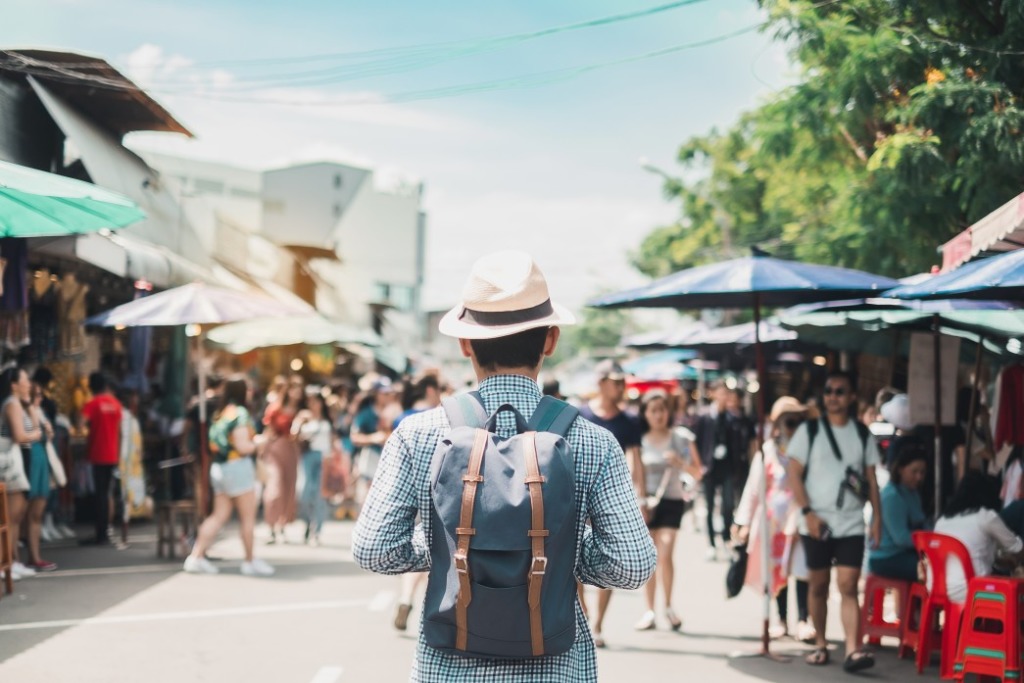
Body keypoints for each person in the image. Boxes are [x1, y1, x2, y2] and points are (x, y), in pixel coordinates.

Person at [352, 250, 655, 682]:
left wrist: (450, 547)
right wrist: (562, 554)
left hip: (448, 670)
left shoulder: (418, 435)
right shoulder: (592, 440)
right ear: (550, 340)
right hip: (555, 669)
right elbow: (631, 564)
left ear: (465, 342)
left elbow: (373, 549)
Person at [787, 371, 882, 673]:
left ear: (851, 396)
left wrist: (878, 518)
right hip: (817, 521)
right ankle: (821, 644)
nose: (833, 396)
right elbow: (793, 474)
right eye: (829, 390)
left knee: (849, 584)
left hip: (851, 522)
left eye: (840, 391)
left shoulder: (862, 434)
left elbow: (871, 479)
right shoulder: (809, 431)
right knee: (818, 585)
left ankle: (853, 649)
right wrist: (807, 513)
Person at [733, 396, 813, 641]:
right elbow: (754, 488)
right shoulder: (767, 451)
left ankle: (803, 619)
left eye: (797, 422)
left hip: (799, 518)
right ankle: (780, 619)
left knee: (801, 570)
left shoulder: (809, 449)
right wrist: (743, 522)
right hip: (773, 522)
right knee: (777, 570)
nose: (793, 427)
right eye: (788, 421)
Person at [578, 358, 644, 648]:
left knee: (609, 562)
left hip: (610, 502)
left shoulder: (629, 421)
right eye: (616, 382)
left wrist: (638, 497)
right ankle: (583, 612)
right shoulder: (579, 415)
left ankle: (598, 624)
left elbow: (636, 460)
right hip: (578, 499)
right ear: (602, 382)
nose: (621, 387)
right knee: (572, 559)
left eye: (623, 382)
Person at [184, 376, 274, 576]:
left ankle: (196, 556)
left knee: (218, 516)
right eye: (248, 389)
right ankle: (250, 561)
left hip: (220, 468)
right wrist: (258, 443)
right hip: (238, 469)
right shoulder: (240, 414)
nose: (251, 392)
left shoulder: (221, 412)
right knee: (247, 518)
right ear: (242, 391)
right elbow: (243, 446)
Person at [634, 389, 701, 632]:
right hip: (646, 504)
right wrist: (638, 502)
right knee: (650, 557)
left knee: (666, 551)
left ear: (668, 412)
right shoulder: (639, 440)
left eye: (662, 409)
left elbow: (698, 471)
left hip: (672, 501)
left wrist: (680, 463)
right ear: (645, 414)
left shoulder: (681, 438)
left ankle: (669, 605)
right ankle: (650, 610)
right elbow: (632, 474)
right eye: (653, 410)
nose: (658, 415)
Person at [934, 471, 1024, 602]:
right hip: (973, 591)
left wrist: (1001, 560)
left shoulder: (941, 521)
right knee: (1014, 589)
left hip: (938, 589)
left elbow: (972, 554)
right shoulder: (986, 517)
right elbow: (1018, 549)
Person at [1, 366, 54, 574]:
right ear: (14, 384)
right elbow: (21, 436)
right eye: (24, 379)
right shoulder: (12, 404)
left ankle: (12, 561)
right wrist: (36, 435)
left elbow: (32, 428)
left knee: (16, 516)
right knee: (12, 516)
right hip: (13, 461)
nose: (29, 383)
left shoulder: (19, 404)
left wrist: (30, 406)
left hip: (21, 460)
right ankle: (9, 561)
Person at [694, 382, 750, 560]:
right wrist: (699, 465)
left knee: (728, 506)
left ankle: (726, 539)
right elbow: (695, 442)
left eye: (727, 394)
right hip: (709, 467)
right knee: (709, 506)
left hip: (727, 467)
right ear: (713, 394)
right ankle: (711, 543)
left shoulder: (732, 418)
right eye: (721, 394)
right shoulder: (704, 417)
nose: (724, 398)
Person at [868, 445, 928, 582]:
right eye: (914, 472)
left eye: (922, 472)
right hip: (886, 558)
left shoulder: (912, 492)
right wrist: (927, 540)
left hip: (903, 553)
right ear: (901, 470)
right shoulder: (892, 496)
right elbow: (901, 538)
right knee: (931, 570)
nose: (919, 477)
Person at [79, 372, 122, 547]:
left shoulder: (92, 404)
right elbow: (119, 432)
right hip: (112, 454)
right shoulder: (115, 404)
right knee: (106, 493)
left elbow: (81, 423)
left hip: (97, 454)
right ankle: (104, 531)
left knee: (99, 495)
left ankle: (100, 534)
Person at [261, 375, 303, 544]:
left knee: (289, 487)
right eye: (294, 388)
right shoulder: (275, 408)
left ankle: (282, 525)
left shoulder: (302, 410)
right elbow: (268, 431)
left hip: (292, 450)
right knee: (275, 487)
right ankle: (271, 525)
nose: (297, 392)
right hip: (275, 449)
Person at [293, 389, 335, 546]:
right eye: (310, 401)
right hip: (308, 456)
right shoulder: (303, 417)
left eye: (316, 401)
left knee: (320, 495)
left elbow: (331, 440)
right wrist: (299, 421)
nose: (314, 405)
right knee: (304, 493)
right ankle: (306, 523)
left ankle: (316, 531)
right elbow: (294, 436)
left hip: (324, 457)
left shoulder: (326, 420)